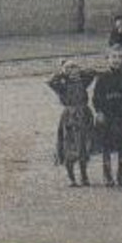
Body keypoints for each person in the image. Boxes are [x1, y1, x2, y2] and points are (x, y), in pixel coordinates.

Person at [92, 46, 122, 188]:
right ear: (108, 59)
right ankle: (107, 175)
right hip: (107, 117)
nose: (117, 60)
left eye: (120, 57)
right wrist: (99, 111)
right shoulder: (102, 77)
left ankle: (120, 175)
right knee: (106, 146)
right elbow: (96, 97)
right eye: (114, 57)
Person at [47, 58, 97, 187]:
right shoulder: (62, 86)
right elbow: (50, 81)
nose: (73, 71)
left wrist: (80, 71)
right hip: (69, 117)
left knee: (83, 146)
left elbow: (92, 73)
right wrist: (62, 73)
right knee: (69, 146)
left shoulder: (83, 82)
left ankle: (84, 175)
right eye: (69, 69)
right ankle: (71, 177)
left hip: (83, 115)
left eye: (75, 68)